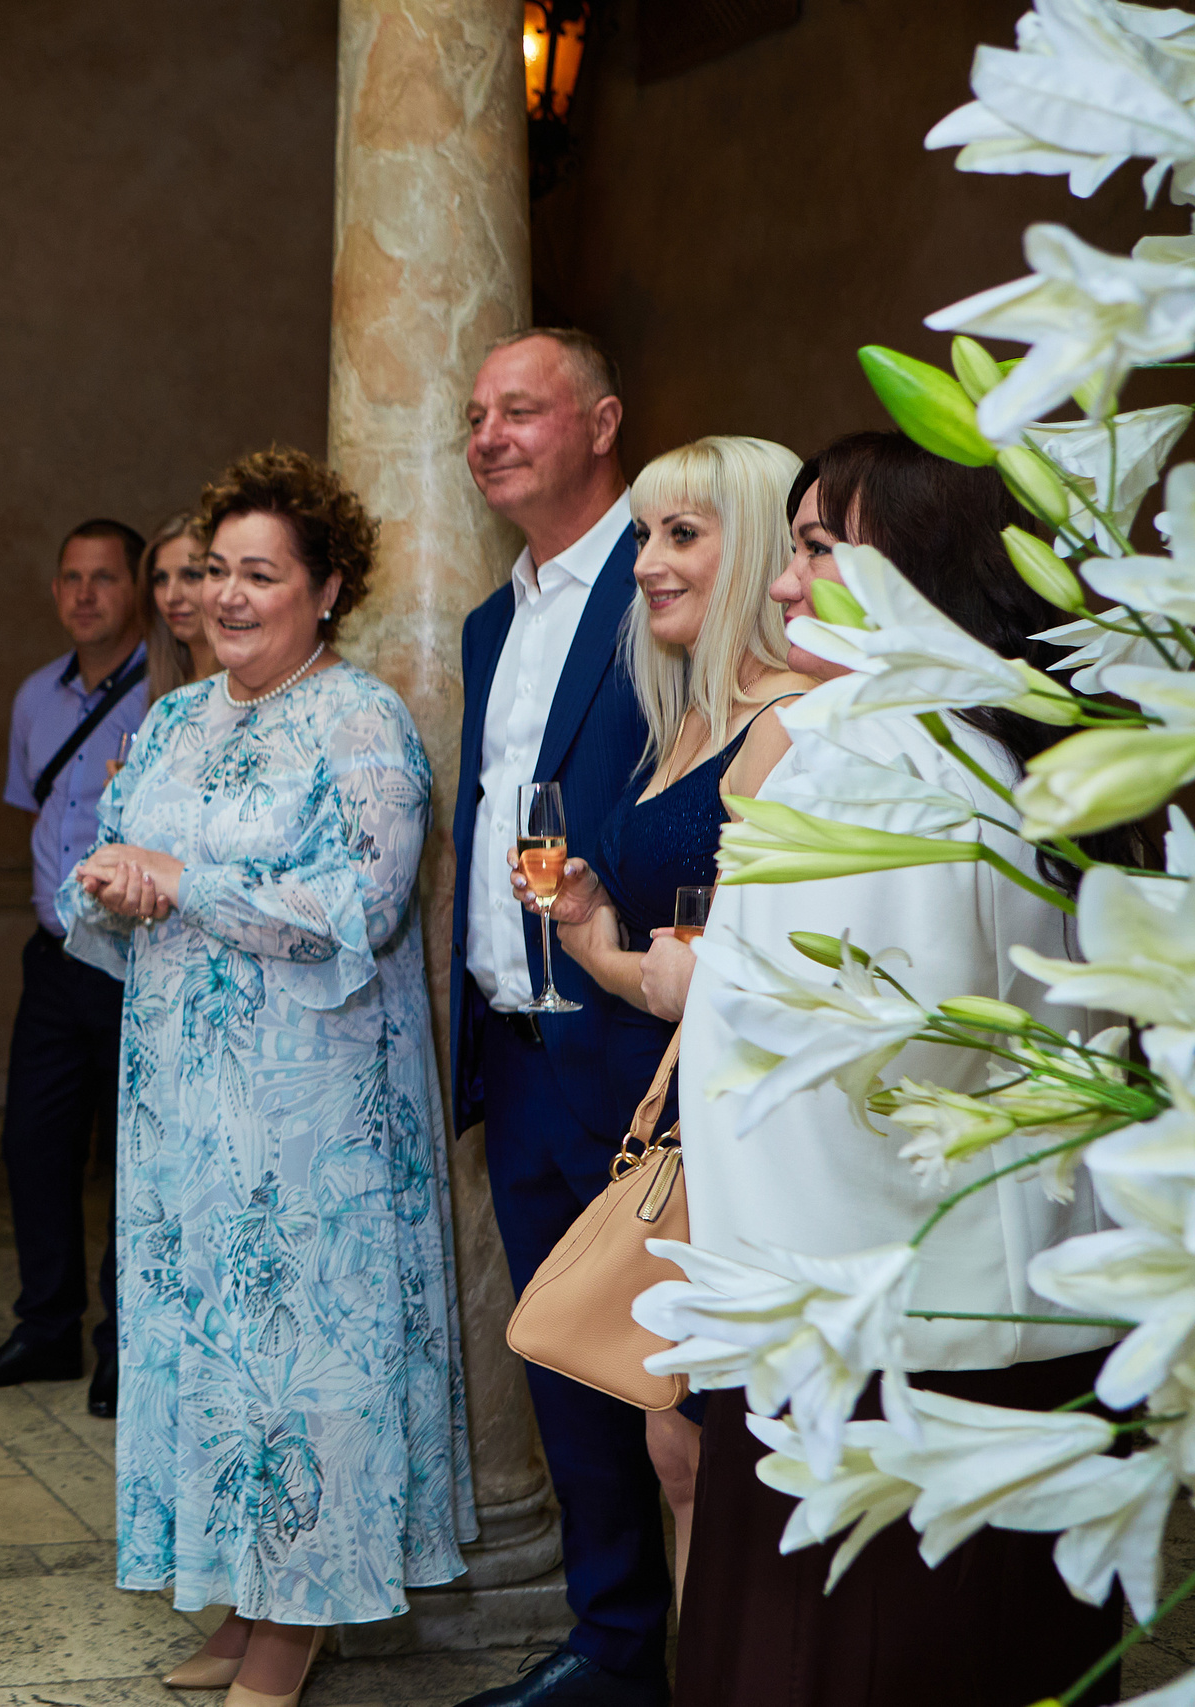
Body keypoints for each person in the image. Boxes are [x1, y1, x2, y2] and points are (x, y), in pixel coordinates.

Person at [667, 432, 1125, 1707]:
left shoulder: (885, 762)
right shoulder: (994, 745)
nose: (780, 583)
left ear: (926, 563)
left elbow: (882, 1054)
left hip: (878, 1348)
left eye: (818, 547)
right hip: (974, 1320)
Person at [67, 448, 469, 1707]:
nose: (227, 598)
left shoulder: (362, 723)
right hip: (181, 1104)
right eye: (213, 573)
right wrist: (114, 881)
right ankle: (246, 1601)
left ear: (327, 586)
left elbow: (360, 906)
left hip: (311, 1114)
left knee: (295, 1354)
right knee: (208, 1347)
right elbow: (118, 847)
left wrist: (183, 882)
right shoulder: (177, 717)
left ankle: (299, 1620)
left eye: (259, 574)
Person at [510, 434, 819, 1607]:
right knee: (676, 1453)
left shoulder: (787, 725)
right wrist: (599, 912)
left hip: (735, 1138)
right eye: (643, 535)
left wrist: (600, 953)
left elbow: (715, 981)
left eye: (681, 534)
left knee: (706, 1462)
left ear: (759, 550)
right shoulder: (689, 717)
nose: (646, 562)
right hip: (670, 1120)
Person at [447, 329, 674, 1707]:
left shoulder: (662, 579)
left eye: (520, 410)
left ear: (601, 422)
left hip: (633, 1042)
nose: (488, 435)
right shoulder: (494, 619)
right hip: (515, 1047)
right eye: (476, 415)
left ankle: (708, 1641)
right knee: (564, 1368)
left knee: (670, 1379)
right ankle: (613, 1643)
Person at [0, 518, 148, 1417]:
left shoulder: (169, 694)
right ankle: (46, 1326)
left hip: (134, 960)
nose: (84, 594)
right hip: (54, 954)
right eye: (71, 577)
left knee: (131, 1156)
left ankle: (124, 1344)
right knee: (34, 1141)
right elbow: (38, 814)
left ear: (138, 588)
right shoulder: (36, 696)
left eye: (104, 577)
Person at [141, 512, 214, 697]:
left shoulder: (260, 691)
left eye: (191, 575)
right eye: (161, 579)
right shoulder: (164, 691)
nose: (171, 597)